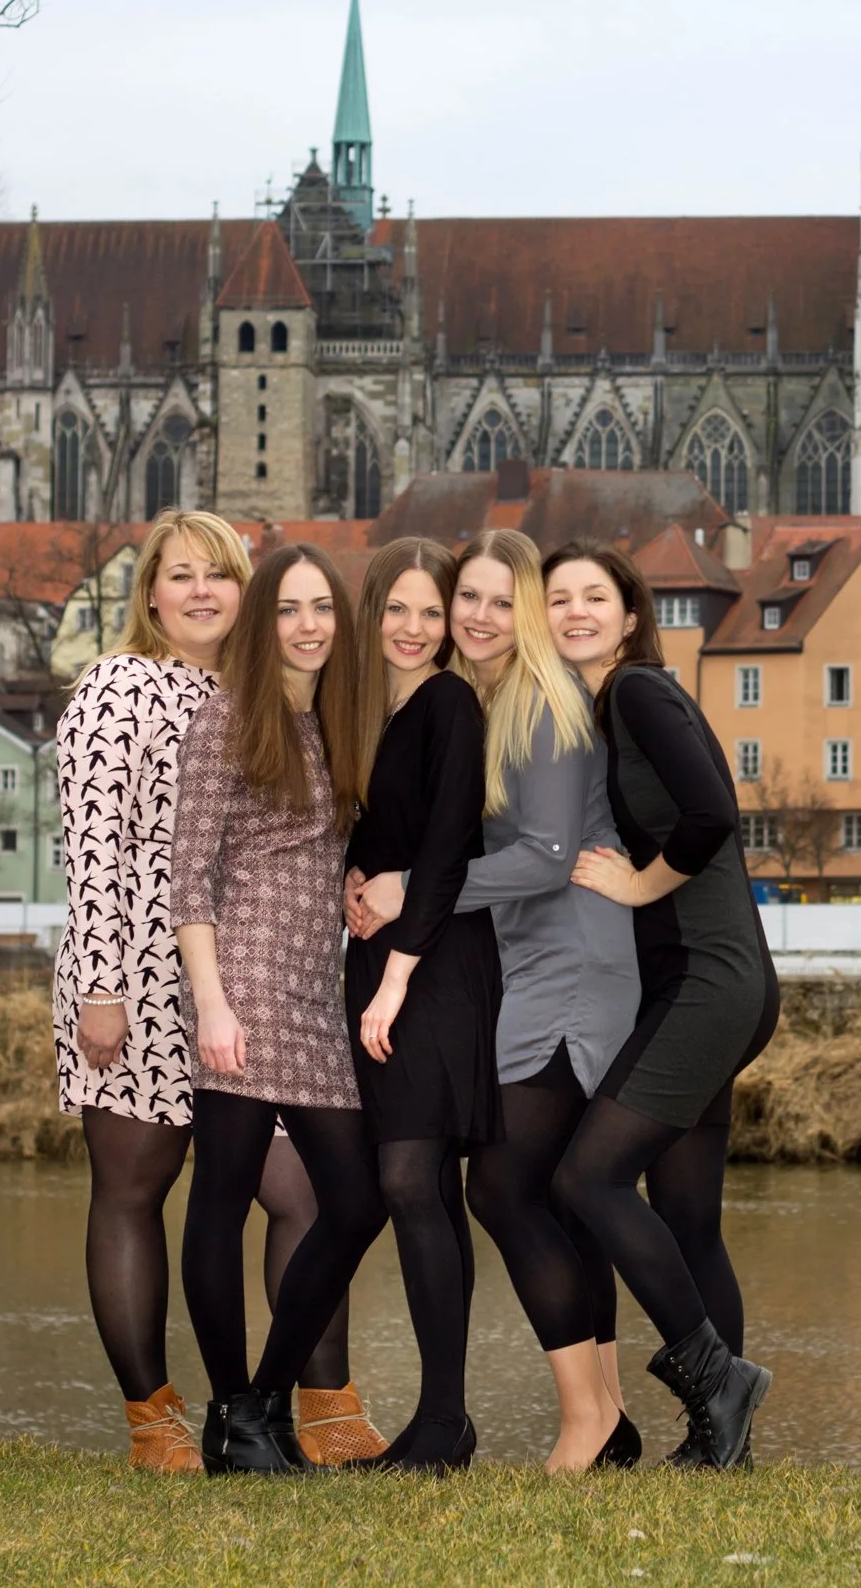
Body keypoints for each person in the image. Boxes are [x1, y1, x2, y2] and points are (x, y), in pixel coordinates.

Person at [53, 510, 379, 1471]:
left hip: (250, 983)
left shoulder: (263, 692)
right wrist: (104, 988)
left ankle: (313, 1402)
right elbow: (95, 850)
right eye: (180, 574)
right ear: (148, 591)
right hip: (141, 977)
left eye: (220, 575)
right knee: (134, 1187)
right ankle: (152, 1416)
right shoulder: (118, 687)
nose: (201, 591)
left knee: (306, 1192)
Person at [347, 530, 642, 1472]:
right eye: (460, 599)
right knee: (542, 1190)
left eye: (489, 600)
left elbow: (546, 858)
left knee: (506, 1185)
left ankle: (586, 1420)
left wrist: (414, 894)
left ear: (522, 608)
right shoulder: (493, 700)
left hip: (572, 970)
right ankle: (610, 1414)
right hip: (536, 970)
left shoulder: (544, 706)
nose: (472, 617)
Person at [545, 543, 780, 1471]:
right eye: (558, 597)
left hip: (707, 982)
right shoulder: (613, 705)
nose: (574, 611)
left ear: (631, 613)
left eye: (593, 596)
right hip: (720, 982)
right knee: (687, 1218)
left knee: (584, 1180)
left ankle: (716, 1379)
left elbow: (713, 812)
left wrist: (640, 887)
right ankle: (720, 1443)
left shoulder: (638, 693)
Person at [173, 543, 387, 1476]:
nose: (307, 625)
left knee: (355, 1201)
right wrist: (210, 1003)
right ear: (263, 624)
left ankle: (260, 1399)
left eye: (321, 608)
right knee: (220, 1199)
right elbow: (188, 878)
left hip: (315, 990)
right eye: (288, 609)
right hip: (246, 984)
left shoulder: (337, 723)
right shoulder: (227, 716)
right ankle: (233, 1413)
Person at [341, 537, 502, 1475]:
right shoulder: (364, 708)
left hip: (436, 961)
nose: (412, 628)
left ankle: (443, 1419)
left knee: (409, 1177)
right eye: (396, 610)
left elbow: (446, 847)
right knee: (426, 1185)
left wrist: (399, 972)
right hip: (376, 956)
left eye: (429, 613)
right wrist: (345, 884)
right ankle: (441, 1422)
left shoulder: (448, 702)